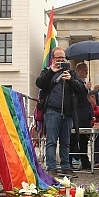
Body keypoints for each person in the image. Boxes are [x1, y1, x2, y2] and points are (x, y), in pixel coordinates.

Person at [35, 47, 85, 177]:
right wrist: (52, 72)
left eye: (63, 58)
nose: (61, 60)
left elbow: (82, 90)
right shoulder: (47, 71)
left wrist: (72, 81)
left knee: (66, 142)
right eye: (58, 58)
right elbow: (40, 83)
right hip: (52, 112)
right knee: (51, 141)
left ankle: (65, 167)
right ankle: (51, 167)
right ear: (53, 59)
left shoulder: (72, 73)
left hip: (67, 113)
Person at [70, 62, 92, 170]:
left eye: (87, 70)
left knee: (84, 140)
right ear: (79, 71)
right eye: (85, 70)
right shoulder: (76, 82)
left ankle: (85, 160)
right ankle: (70, 160)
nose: (87, 73)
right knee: (73, 139)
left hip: (85, 115)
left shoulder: (85, 83)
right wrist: (84, 87)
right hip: (78, 115)